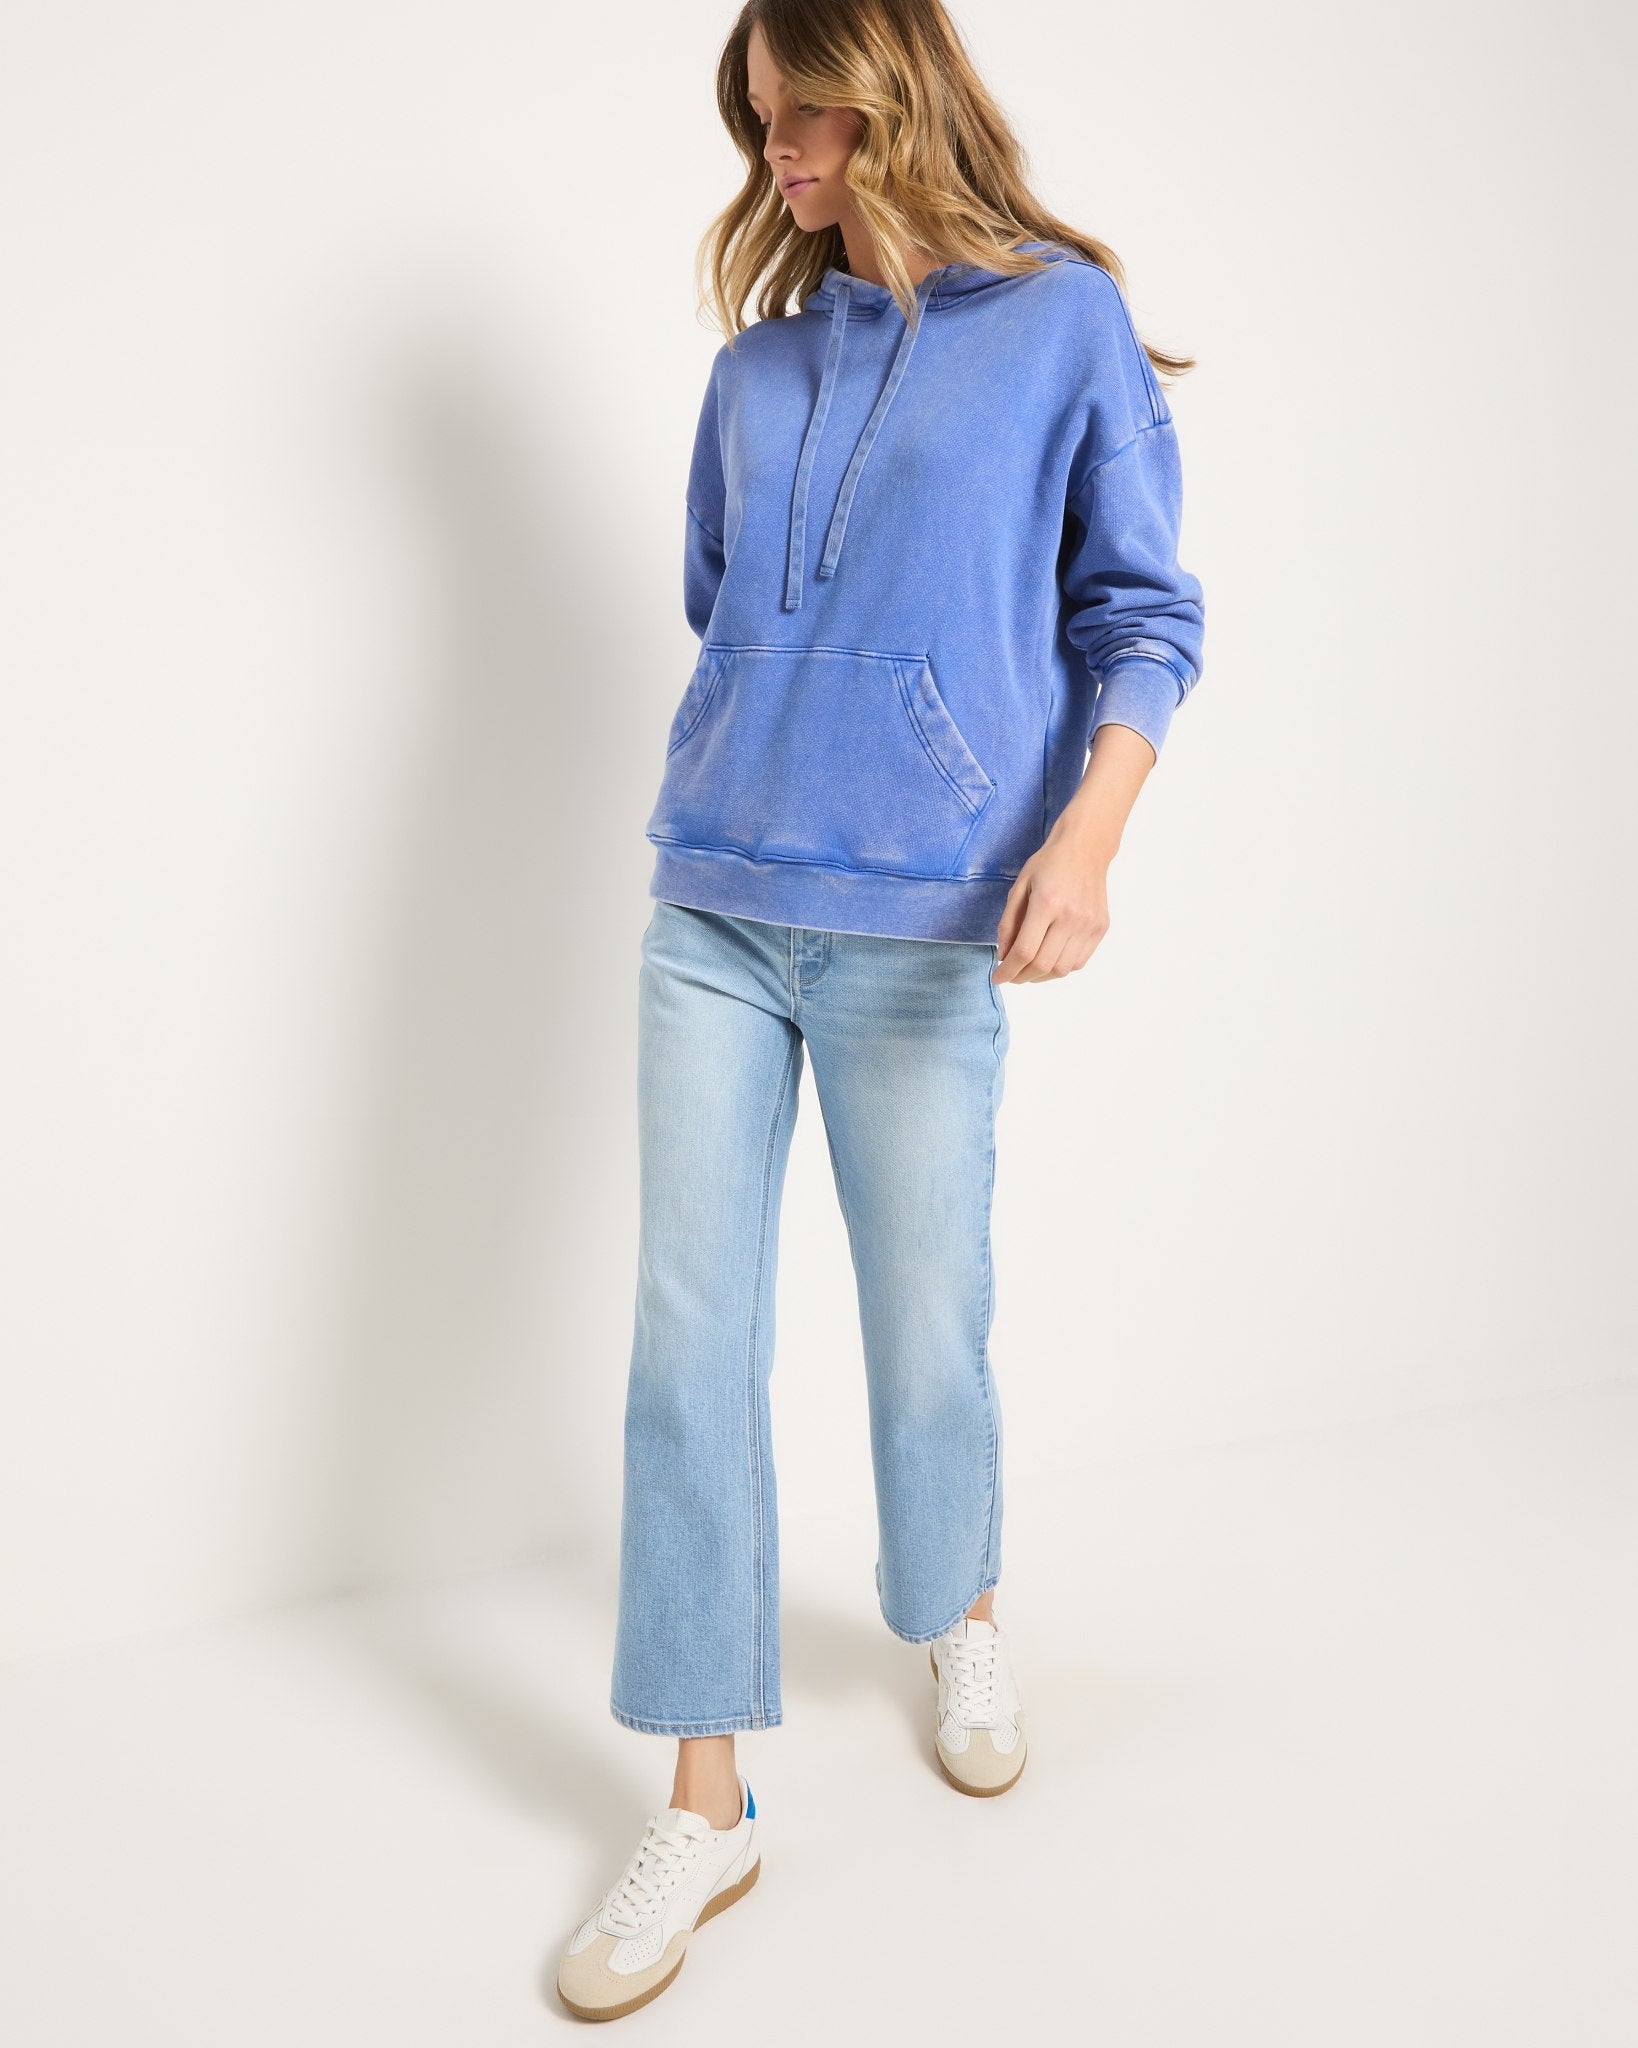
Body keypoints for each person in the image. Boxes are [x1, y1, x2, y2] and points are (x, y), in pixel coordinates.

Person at [557, 0, 1205, 2020]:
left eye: (808, 117)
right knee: (687, 1345)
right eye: (761, 125)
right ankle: (707, 1797)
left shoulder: (1063, 326)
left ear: (895, 97)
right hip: (711, 906)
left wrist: (1080, 835)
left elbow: (1143, 616)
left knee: (928, 1318)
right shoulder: (754, 369)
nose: (781, 159)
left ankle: (959, 1606)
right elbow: (724, 602)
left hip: (927, 923)